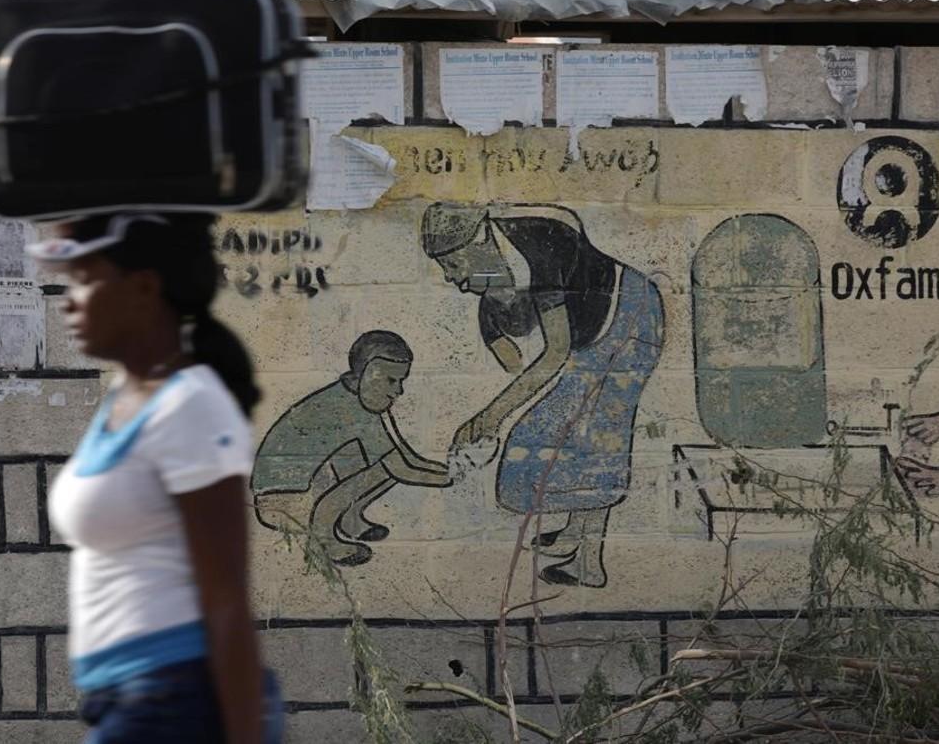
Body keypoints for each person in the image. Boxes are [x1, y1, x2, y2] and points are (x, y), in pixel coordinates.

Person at [30, 212, 281, 744]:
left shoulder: (191, 405)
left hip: (169, 700)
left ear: (143, 288)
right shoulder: (129, 398)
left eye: (84, 279)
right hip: (123, 696)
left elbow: (226, 595)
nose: (67, 301)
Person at [421, 203, 664, 588]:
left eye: (453, 264)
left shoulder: (538, 250)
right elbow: (518, 331)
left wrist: (492, 414)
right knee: (578, 433)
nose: (452, 277)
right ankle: (574, 534)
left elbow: (554, 353)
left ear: (480, 240)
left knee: (596, 440)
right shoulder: (502, 253)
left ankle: (589, 564)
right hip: (597, 332)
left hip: (630, 317)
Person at [252, 330, 449, 566]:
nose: (398, 391)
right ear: (366, 373)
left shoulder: (354, 398)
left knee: (377, 459)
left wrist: (450, 470)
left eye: (401, 381)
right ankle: (325, 540)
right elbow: (400, 467)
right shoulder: (352, 409)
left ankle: (349, 519)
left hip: (295, 496)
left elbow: (404, 456)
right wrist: (451, 478)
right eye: (391, 380)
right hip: (283, 505)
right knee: (385, 467)